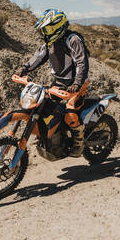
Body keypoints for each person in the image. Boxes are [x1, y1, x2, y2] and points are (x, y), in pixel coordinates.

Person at [18, 9, 90, 157]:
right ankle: (52, 137)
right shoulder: (49, 43)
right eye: (44, 30)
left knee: (71, 114)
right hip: (59, 83)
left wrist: (77, 83)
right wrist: (24, 69)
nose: (45, 32)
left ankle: (79, 143)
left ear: (58, 26)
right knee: (43, 107)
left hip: (77, 84)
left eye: (48, 28)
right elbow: (37, 58)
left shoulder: (73, 40)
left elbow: (82, 63)